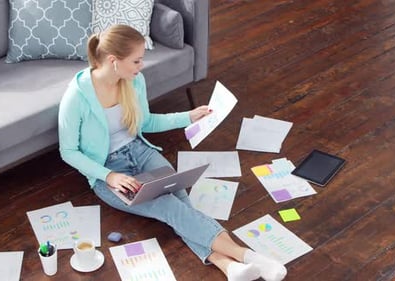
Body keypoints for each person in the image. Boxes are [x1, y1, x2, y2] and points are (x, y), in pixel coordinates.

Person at [58, 24, 287, 281]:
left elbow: (145, 123)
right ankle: (248, 256)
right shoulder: (76, 96)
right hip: (107, 174)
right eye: (136, 60)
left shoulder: (134, 81)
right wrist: (109, 175)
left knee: (182, 200)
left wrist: (188, 117)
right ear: (113, 61)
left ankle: (229, 267)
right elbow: (68, 151)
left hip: (140, 152)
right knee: (169, 207)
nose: (141, 66)